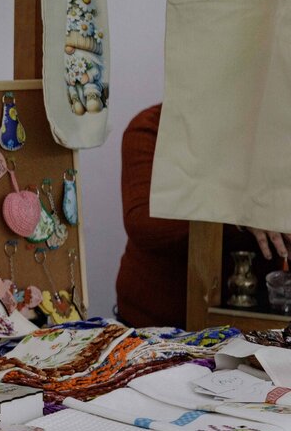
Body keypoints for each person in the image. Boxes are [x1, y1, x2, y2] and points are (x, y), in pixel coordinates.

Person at [116, 104, 290, 327]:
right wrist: (241, 218)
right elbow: (144, 223)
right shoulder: (152, 126)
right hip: (156, 322)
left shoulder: (272, 129)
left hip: (255, 318)